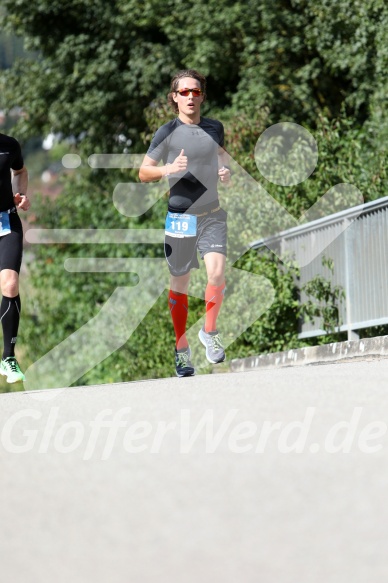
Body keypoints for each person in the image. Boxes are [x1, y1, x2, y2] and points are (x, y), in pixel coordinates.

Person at [139, 69, 231, 377]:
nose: (190, 97)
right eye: (184, 92)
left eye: (196, 92)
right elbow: (143, 172)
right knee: (180, 284)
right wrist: (168, 169)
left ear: (202, 96)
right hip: (180, 218)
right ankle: (181, 348)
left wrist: (224, 170)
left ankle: (210, 331)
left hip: (212, 215)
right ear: (174, 98)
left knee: (217, 272)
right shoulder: (167, 132)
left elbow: (221, 157)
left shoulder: (215, 128)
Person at [0, 132, 30, 383]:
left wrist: (19, 195)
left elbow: (20, 172)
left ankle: (8, 357)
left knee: (10, 284)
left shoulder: (9, 145)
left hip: (6, 221)